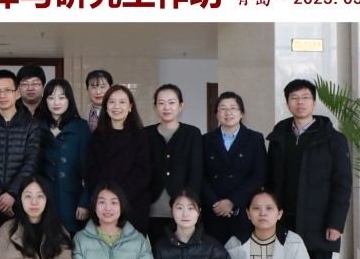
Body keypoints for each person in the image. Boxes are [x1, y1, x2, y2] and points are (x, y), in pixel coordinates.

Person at [266, 79, 352, 259]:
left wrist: (335, 223)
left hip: (319, 221)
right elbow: (270, 181)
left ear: (314, 102)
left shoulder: (333, 139)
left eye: (305, 97)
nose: (300, 102)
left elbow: (342, 185)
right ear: (287, 103)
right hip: (284, 220)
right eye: (294, 97)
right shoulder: (278, 137)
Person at [0, 69, 40, 238]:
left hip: (21, 200)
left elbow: (31, 162)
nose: (2, 95)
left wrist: (12, 194)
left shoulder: (32, 125)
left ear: (17, 93)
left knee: (20, 247)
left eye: (7, 90)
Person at [84, 85, 151, 234]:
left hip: (132, 204)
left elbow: (142, 173)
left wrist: (118, 198)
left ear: (130, 107)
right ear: (106, 107)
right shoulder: (96, 136)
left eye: (122, 102)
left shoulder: (140, 137)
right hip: (104, 206)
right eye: (112, 102)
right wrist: (106, 198)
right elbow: (91, 170)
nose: (116, 106)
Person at [201, 91, 266, 246]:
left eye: (233, 108)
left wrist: (232, 201)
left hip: (242, 209)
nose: (228, 113)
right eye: (223, 108)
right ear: (216, 114)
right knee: (213, 255)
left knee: (241, 256)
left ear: (241, 113)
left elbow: (259, 175)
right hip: (213, 210)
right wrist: (215, 203)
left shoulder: (255, 139)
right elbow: (199, 175)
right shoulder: (205, 140)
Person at [146, 84, 203, 246]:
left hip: (183, 209)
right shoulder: (145, 133)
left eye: (171, 102)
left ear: (180, 106)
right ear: (155, 107)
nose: (166, 107)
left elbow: (196, 172)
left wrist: (191, 205)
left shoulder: (192, 133)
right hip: (153, 207)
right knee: (158, 251)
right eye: (161, 103)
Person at [40, 78, 91, 235]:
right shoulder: (36, 126)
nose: (56, 102)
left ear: (69, 100)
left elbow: (89, 169)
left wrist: (85, 202)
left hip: (72, 200)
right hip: (43, 198)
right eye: (51, 98)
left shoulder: (81, 127)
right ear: (45, 100)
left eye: (62, 97)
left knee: (71, 243)